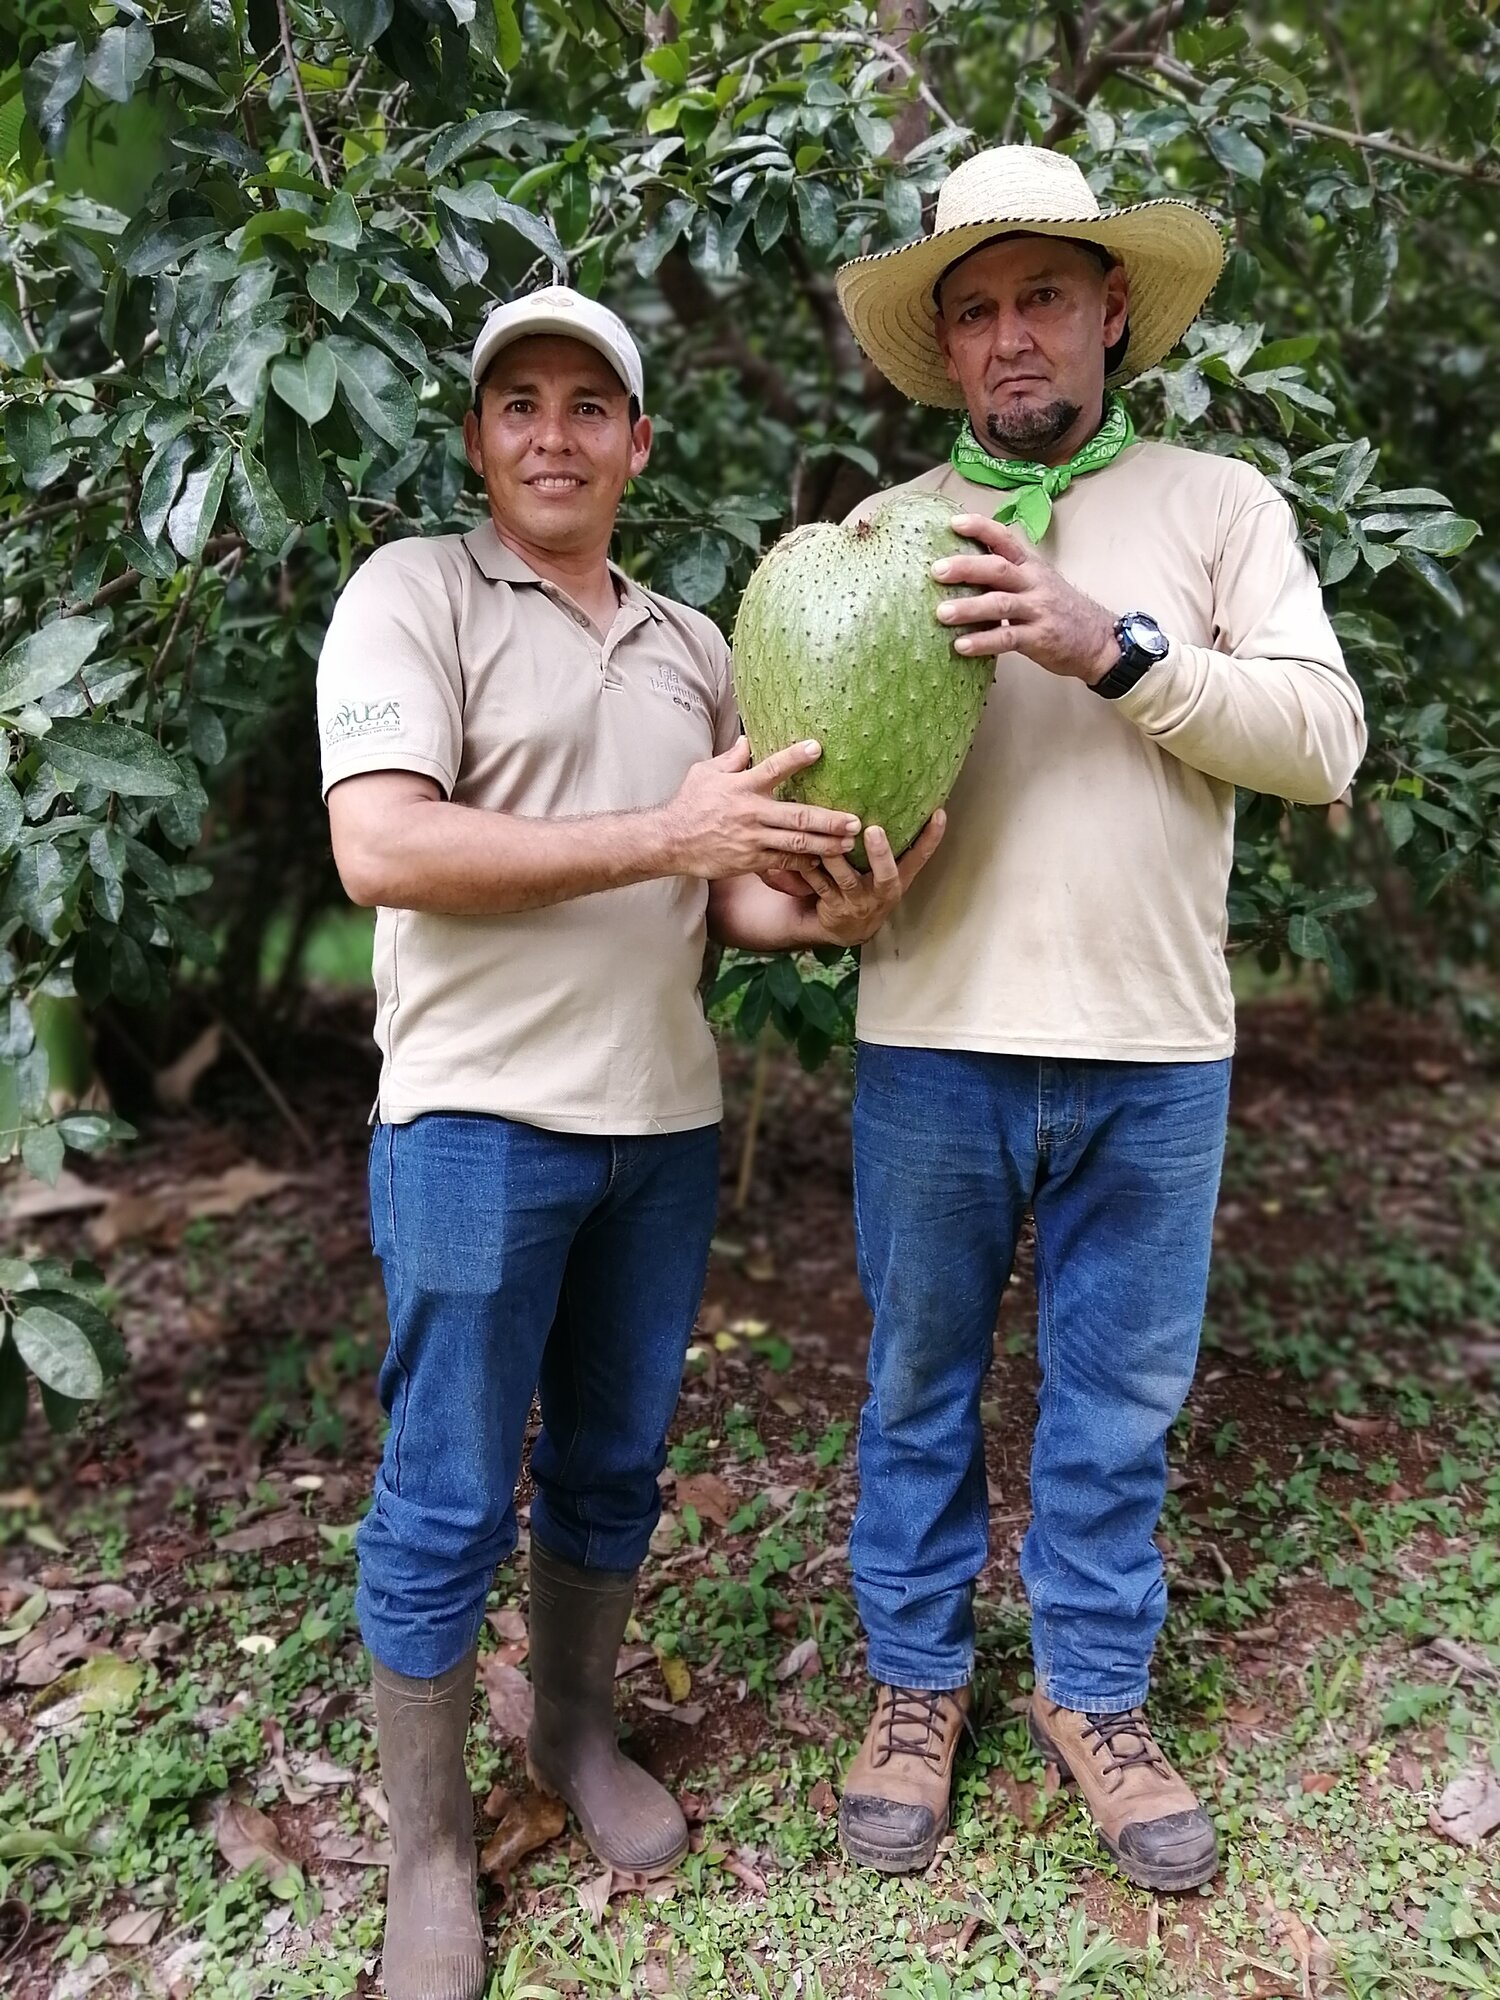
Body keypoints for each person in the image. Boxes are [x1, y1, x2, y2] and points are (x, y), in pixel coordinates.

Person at [316, 286, 943, 2000]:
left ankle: (575, 1734)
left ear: (638, 444)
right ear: (476, 438)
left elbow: (728, 888)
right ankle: (432, 1851)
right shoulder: (414, 595)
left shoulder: (693, 642)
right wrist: (669, 826)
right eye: (517, 404)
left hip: (660, 1128)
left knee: (609, 1466)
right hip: (471, 1126)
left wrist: (834, 909)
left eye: (588, 407)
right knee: (444, 1495)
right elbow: (384, 849)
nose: (550, 434)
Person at [812, 145, 1368, 1890]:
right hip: (932, 1041)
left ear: (1112, 310)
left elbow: (1325, 742)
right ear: (947, 350)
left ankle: (1096, 1693)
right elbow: (821, 793)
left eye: (1042, 295)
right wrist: (824, 883)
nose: (1009, 338)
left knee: (1118, 1404)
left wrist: (1107, 646)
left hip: (1155, 1049)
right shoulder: (882, 537)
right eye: (972, 313)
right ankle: (913, 1685)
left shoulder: (1220, 509)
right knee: (917, 1387)